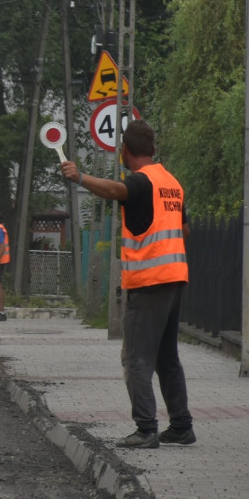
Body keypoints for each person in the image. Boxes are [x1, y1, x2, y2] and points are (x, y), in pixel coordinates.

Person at [61, 120, 193, 449]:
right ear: (153, 148)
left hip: (148, 281)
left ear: (125, 151)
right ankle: (181, 426)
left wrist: (79, 177)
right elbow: (184, 230)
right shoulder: (172, 183)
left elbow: (115, 190)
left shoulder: (140, 181)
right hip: (175, 278)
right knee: (167, 358)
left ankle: (146, 429)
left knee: (135, 358)